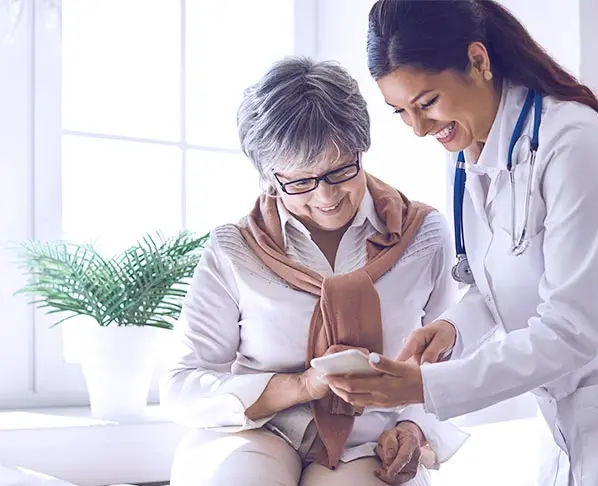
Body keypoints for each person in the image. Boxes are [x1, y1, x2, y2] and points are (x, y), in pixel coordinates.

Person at [325, 1, 598, 485]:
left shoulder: (574, 145)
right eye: (400, 112)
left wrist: (423, 387)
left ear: (478, 62)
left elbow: (569, 329)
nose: (418, 128)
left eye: (427, 102)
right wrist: (454, 329)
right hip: (573, 416)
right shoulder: (475, 155)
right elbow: (502, 279)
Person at [159, 56, 468, 486]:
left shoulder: (424, 234)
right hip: (257, 430)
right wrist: (301, 387)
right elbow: (182, 385)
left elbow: (450, 363)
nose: (326, 197)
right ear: (269, 177)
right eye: (301, 181)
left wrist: (414, 427)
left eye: (341, 170)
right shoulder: (235, 248)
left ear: (362, 149)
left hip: (370, 439)